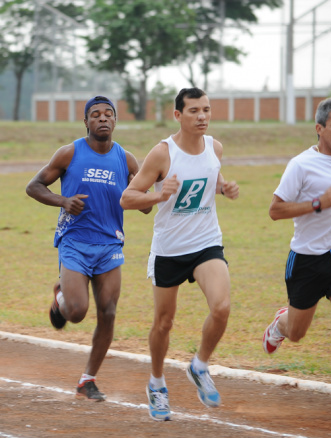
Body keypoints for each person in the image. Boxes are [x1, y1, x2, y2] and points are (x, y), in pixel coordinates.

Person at [120, 87, 239, 421]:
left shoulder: (215, 147)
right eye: (193, 111)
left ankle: (199, 366)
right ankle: (157, 383)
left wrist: (224, 188)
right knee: (164, 322)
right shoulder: (162, 154)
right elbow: (127, 198)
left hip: (206, 242)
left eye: (206, 110)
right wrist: (159, 196)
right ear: (178, 115)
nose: (202, 117)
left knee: (222, 306)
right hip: (170, 249)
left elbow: (209, 179)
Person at [25, 95, 151, 402]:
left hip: (110, 245)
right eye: (96, 115)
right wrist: (63, 201)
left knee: (108, 312)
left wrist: (151, 194)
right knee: (78, 312)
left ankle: (87, 380)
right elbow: (34, 186)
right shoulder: (70, 153)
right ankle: (61, 297)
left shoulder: (127, 159)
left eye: (109, 114)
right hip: (75, 243)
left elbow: (145, 206)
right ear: (86, 122)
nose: (103, 118)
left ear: (115, 121)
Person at [262, 96, 331, 428]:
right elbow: (275, 210)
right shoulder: (300, 165)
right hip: (308, 260)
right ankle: (280, 324)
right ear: (319, 128)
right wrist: (317, 203)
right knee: (297, 333)